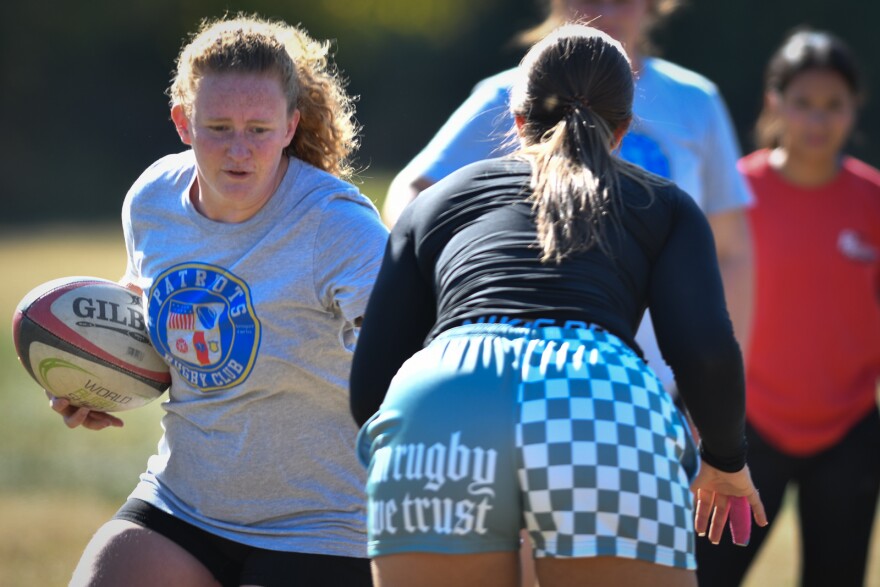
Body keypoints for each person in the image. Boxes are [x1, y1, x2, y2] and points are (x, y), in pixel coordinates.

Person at [350, 24, 767, 587]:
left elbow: (371, 380)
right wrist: (726, 458)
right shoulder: (663, 203)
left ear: (517, 121)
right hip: (598, 401)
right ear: (621, 130)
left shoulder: (437, 202)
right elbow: (706, 351)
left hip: (440, 397)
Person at [47, 14, 388, 587]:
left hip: (327, 523)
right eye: (218, 126)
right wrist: (95, 380)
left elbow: (411, 349)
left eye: (259, 129)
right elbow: (150, 319)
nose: (239, 150)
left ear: (290, 125)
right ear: (184, 122)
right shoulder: (152, 200)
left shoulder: (337, 227)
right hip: (184, 501)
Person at [383, 0, 754, 398]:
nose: (606, 12)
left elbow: (731, 251)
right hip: (516, 376)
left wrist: (715, 391)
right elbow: (412, 196)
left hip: (658, 386)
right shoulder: (507, 95)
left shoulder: (695, 101)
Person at [695, 29, 880, 587]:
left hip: (849, 433)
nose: (817, 121)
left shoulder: (873, 201)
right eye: (803, 103)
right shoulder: (732, 196)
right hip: (744, 430)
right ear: (775, 102)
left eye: (833, 106)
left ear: (855, 109)